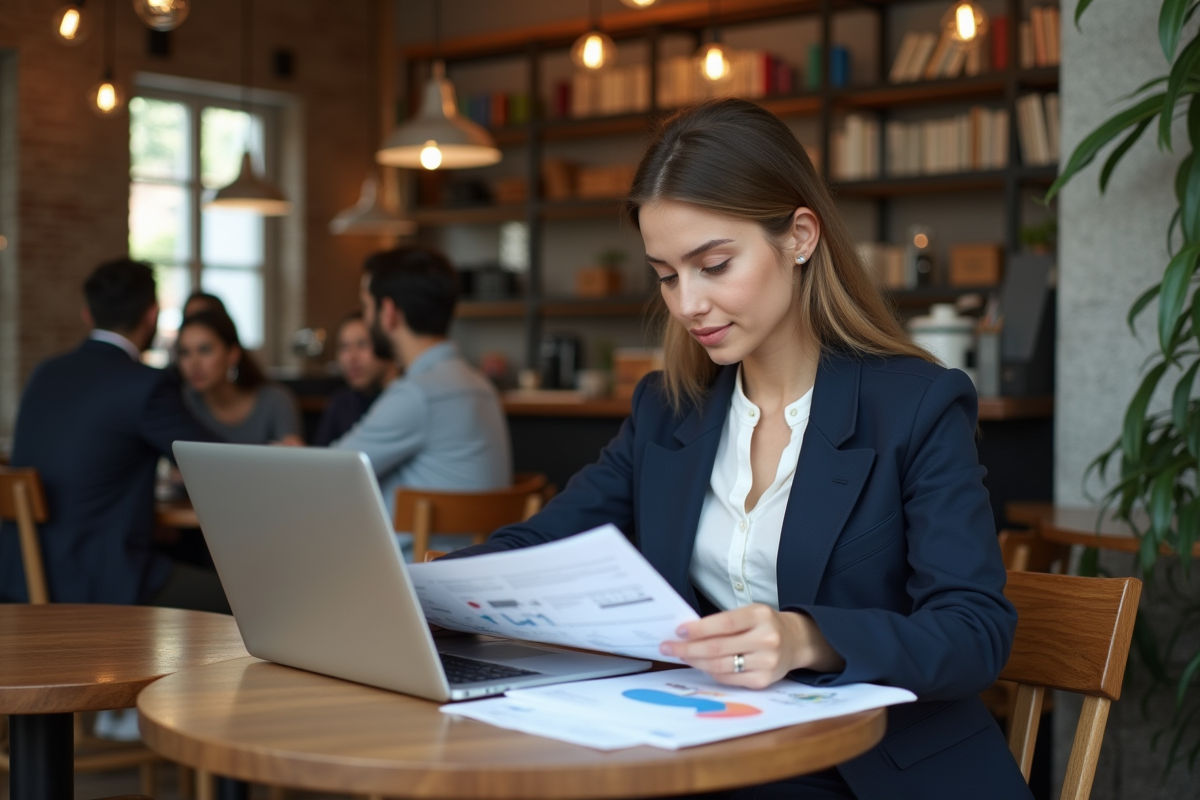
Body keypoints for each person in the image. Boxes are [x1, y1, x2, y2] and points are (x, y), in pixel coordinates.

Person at [445, 99, 1028, 800]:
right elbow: (540, 544)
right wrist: (415, 589)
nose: (687, 303)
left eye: (713, 264)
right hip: (716, 754)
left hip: (876, 770)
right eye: (666, 274)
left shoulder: (915, 407)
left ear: (800, 237)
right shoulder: (669, 411)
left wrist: (806, 639)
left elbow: (974, 633)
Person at [0, 258, 225, 609]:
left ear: (87, 315)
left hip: (21, 577)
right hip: (102, 583)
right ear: (152, 315)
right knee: (253, 597)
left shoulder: (45, 373)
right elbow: (221, 465)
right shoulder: (145, 385)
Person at [331, 246, 511, 555]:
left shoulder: (417, 394)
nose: (366, 317)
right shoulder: (480, 385)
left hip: (412, 581)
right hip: (469, 571)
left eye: (366, 306)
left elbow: (327, 475)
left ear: (388, 312)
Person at [177, 310, 303, 445]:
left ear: (233, 354)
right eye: (184, 352)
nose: (193, 363)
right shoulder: (182, 401)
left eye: (205, 350)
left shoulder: (275, 400)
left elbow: (294, 458)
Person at [311, 311, 400, 447]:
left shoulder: (401, 400)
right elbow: (322, 458)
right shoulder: (340, 402)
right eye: (344, 347)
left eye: (362, 344)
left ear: (384, 347)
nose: (351, 357)